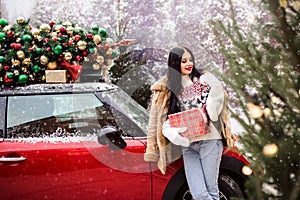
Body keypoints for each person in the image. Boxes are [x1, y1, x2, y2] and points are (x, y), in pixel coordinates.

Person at [144, 46, 233, 200]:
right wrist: (169, 131)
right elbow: (159, 120)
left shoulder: (204, 80)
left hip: (210, 140)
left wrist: (214, 93)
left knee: (211, 191)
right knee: (199, 194)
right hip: (187, 145)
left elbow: (220, 101)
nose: (188, 64)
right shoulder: (167, 88)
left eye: (190, 60)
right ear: (174, 63)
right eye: (183, 61)